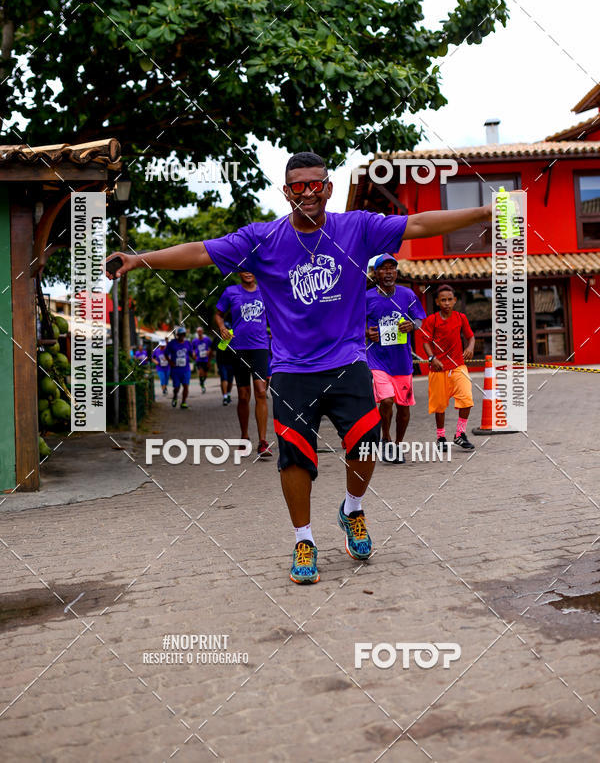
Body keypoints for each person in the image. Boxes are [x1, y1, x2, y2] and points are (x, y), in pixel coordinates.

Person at [106, 151, 491, 585]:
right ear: (286, 192)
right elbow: (199, 251)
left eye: (315, 184)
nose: (307, 192)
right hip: (291, 368)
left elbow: (418, 224)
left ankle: (352, 509)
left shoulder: (357, 228)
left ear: (328, 188)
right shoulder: (263, 239)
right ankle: (303, 540)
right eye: (298, 186)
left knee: (366, 443)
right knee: (294, 456)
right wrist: (139, 258)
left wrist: (483, 213)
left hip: (347, 361)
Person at [366, 254, 425, 463]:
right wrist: (366, 332)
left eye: (392, 268)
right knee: (387, 400)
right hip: (378, 359)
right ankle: (386, 438)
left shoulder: (407, 295)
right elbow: (352, 323)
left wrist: (412, 325)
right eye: (384, 268)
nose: (388, 272)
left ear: (396, 273)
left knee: (403, 407)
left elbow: (419, 319)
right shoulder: (366, 298)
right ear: (376, 274)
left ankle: (398, 445)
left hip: (402, 361)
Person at [214, 272, 271, 458]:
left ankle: (263, 442)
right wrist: (222, 328)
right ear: (239, 272)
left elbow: (278, 313)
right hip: (239, 348)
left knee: (261, 391)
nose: (248, 273)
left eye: (250, 269)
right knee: (243, 395)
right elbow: (218, 314)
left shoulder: (265, 291)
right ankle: (244, 436)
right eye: (244, 269)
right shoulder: (231, 292)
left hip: (260, 347)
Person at [421, 284, 476, 452]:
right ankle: (441, 437)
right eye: (443, 300)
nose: (446, 303)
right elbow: (425, 342)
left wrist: (470, 347)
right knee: (439, 406)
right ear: (437, 302)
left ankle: (460, 434)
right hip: (438, 369)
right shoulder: (432, 320)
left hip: (458, 366)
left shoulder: (460, 317)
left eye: (449, 299)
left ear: (455, 300)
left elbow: (471, 336)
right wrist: (432, 358)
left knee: (466, 399)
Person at [166, 326, 194, 409]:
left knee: (186, 386)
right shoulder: (172, 343)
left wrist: (195, 356)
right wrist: (170, 362)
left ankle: (183, 402)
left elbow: (191, 354)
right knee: (177, 387)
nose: (182, 336)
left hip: (186, 369)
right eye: (180, 334)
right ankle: (175, 396)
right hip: (175, 370)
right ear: (177, 335)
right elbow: (166, 354)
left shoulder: (188, 343)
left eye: (183, 334)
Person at [213, 330, 234, 405]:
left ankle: (227, 395)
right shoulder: (218, 336)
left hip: (230, 362)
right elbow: (214, 349)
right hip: (222, 362)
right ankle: (225, 396)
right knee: (225, 379)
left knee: (229, 380)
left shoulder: (232, 335)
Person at [192, 326, 213, 394]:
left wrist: (209, 351)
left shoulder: (207, 339)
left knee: (205, 374)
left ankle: (202, 382)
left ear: (202, 332)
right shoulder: (194, 341)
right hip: (199, 359)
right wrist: (194, 353)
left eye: (200, 331)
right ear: (197, 332)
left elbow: (211, 347)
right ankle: (202, 385)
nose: (199, 333)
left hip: (206, 359)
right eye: (198, 331)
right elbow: (192, 349)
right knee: (201, 372)